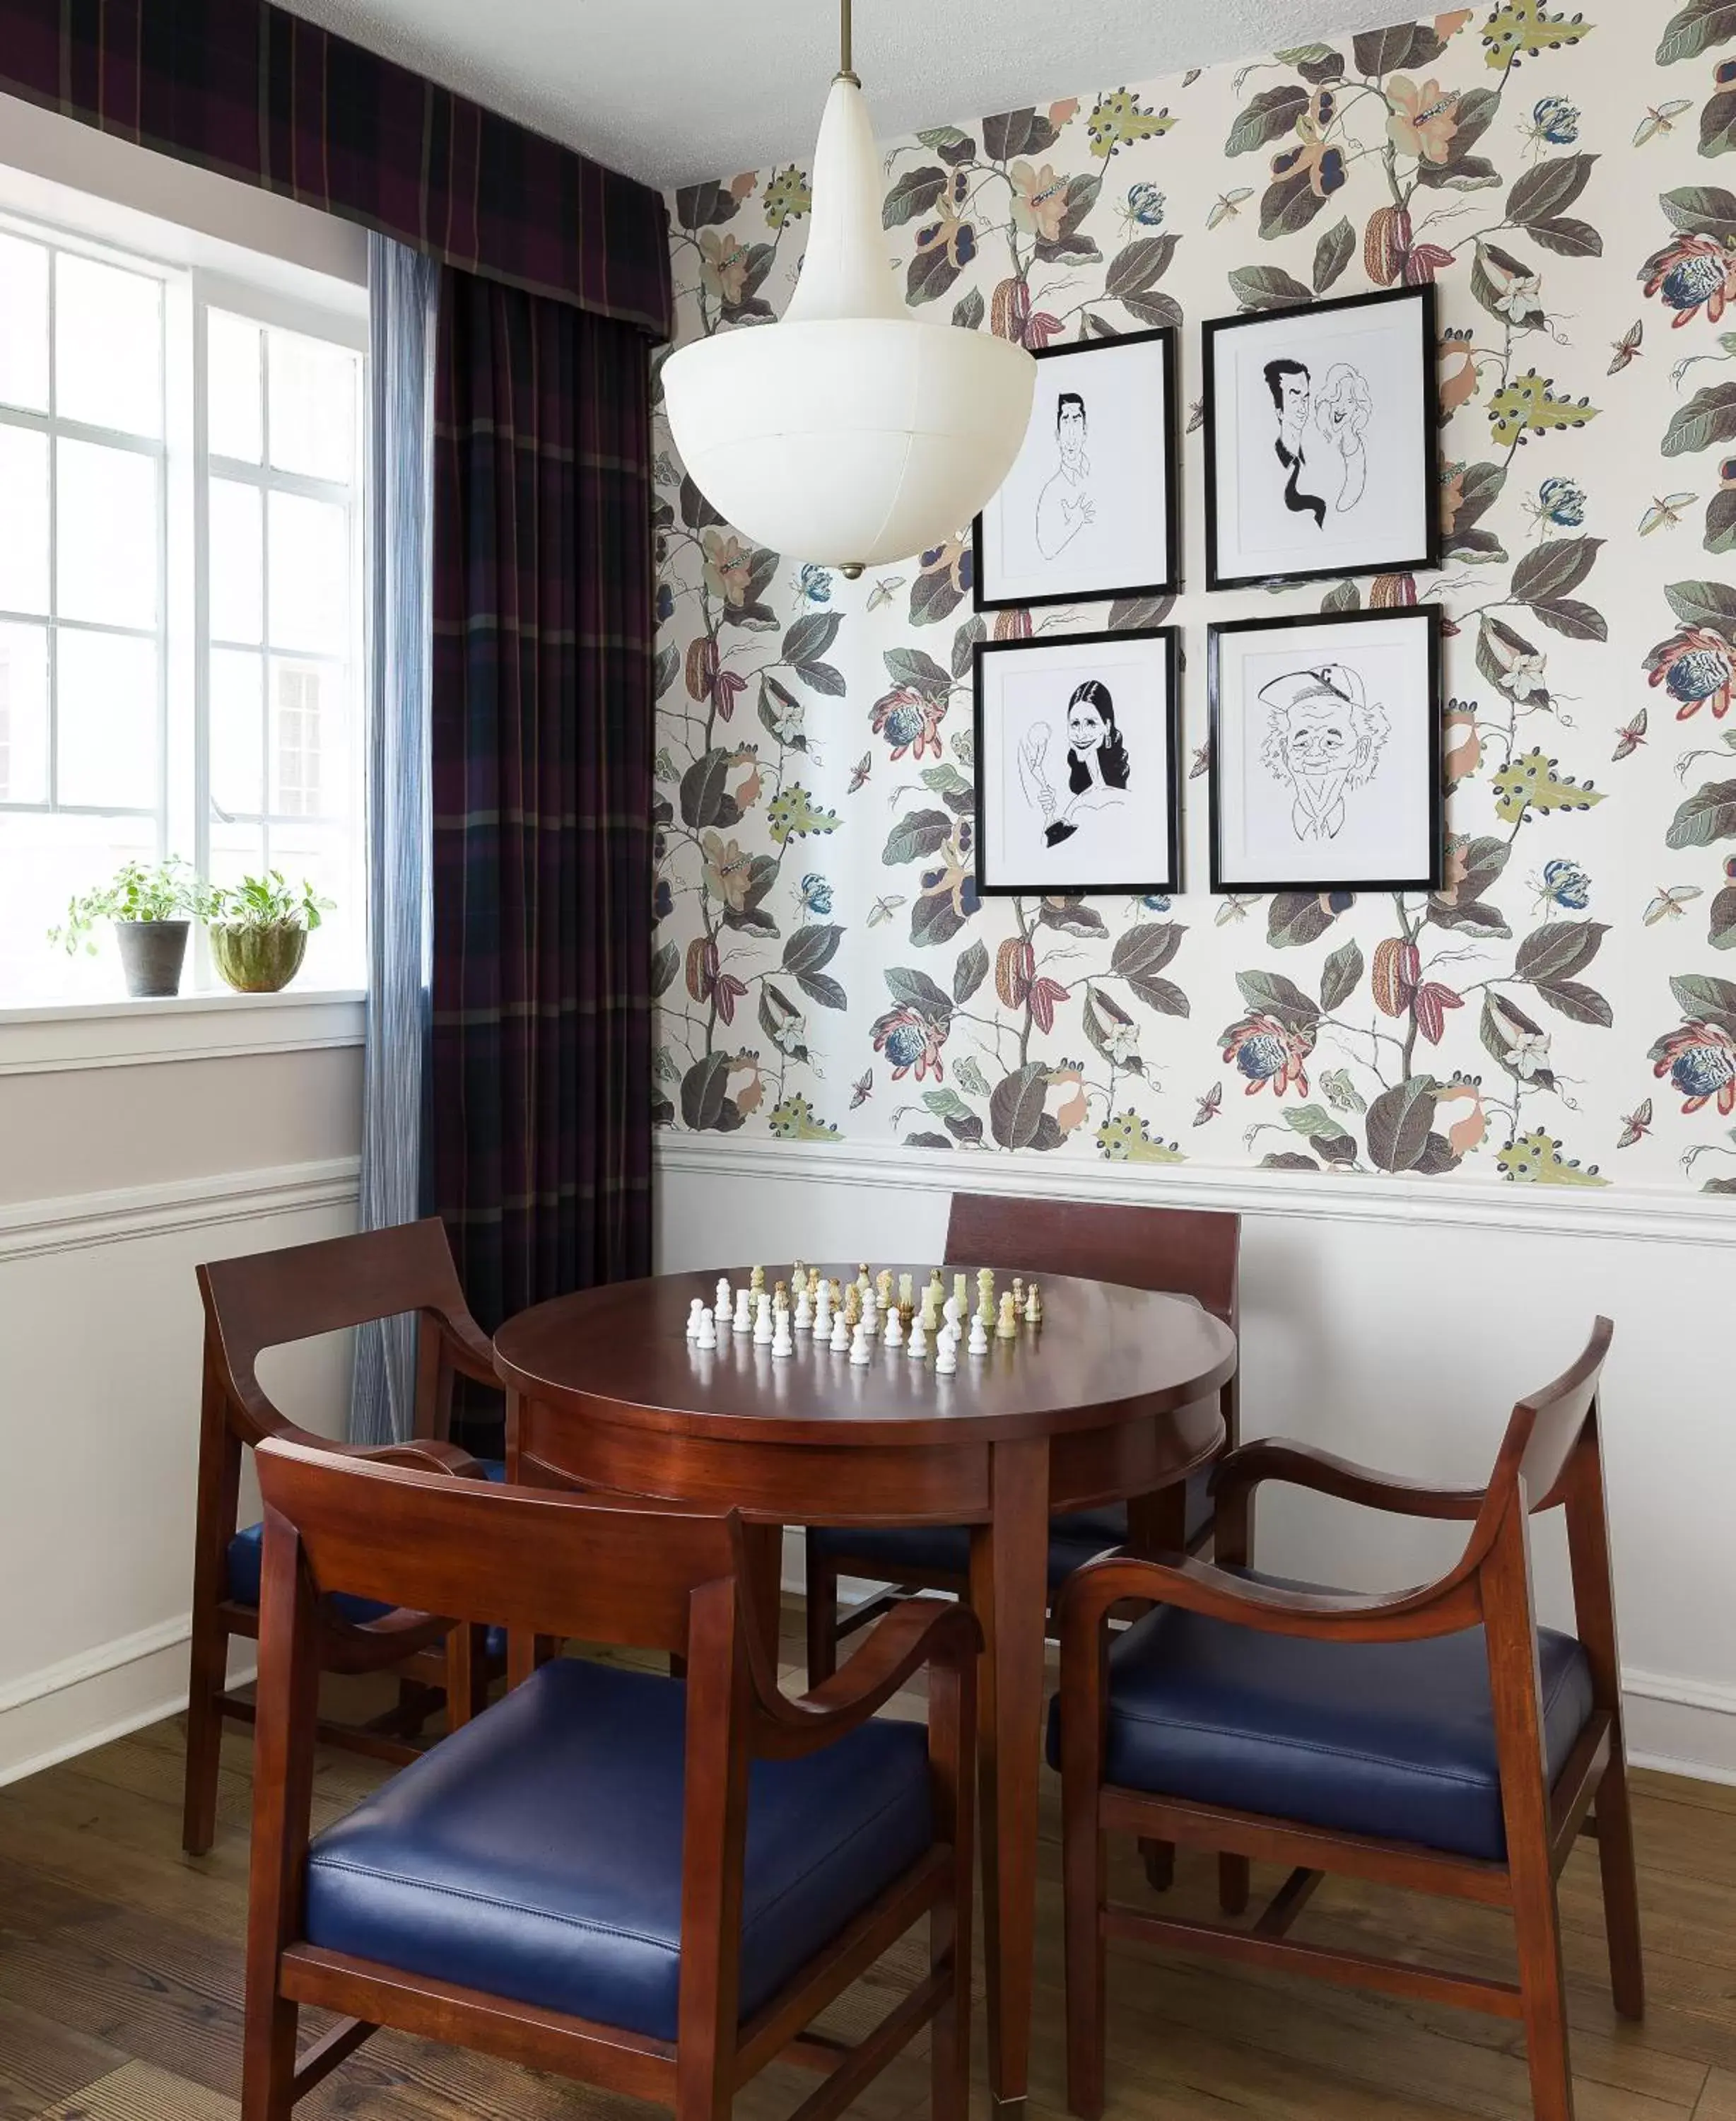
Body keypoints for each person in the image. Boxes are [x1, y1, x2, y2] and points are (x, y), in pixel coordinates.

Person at [1018, 679, 1130, 847]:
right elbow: (1049, 850)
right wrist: (1049, 813)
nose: (1080, 733)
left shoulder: (1125, 799)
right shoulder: (1077, 802)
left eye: (1091, 723)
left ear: (1107, 726)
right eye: (1075, 724)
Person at [1264, 357, 1325, 528]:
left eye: (1305, 398)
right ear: (1279, 411)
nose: (1303, 408)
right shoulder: (1270, 467)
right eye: (1295, 398)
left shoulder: (1315, 459)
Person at [1035, 392, 1096, 560]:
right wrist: (1076, 522)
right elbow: (1047, 550)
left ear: (1085, 431)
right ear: (1057, 435)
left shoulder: (1100, 478)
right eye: (1065, 421)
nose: (1071, 434)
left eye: (1076, 421)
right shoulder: (1051, 492)